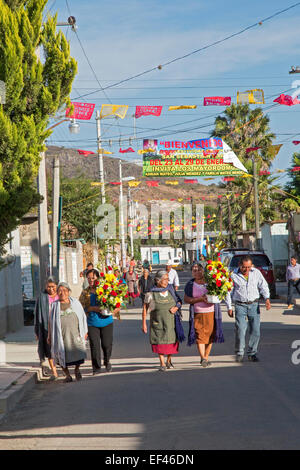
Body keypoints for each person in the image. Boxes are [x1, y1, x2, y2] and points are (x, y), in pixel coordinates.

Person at [225, 255, 271, 363]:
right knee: (241, 329)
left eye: (249, 267)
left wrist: (267, 299)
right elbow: (228, 292)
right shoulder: (233, 275)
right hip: (240, 305)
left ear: (252, 266)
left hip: (254, 305)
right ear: (239, 265)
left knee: (255, 331)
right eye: (244, 267)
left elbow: (263, 285)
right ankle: (239, 353)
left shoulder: (256, 273)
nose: (246, 270)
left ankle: (252, 353)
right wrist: (229, 307)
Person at [79, 269, 120, 374]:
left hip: (106, 321)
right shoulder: (85, 293)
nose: (91, 280)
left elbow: (116, 302)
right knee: (94, 345)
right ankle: (96, 368)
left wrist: (115, 309)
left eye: (93, 278)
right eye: (88, 278)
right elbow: (81, 308)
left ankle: (107, 361)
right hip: (92, 322)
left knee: (107, 345)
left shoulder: (106, 289)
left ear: (98, 278)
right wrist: (92, 309)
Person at [142, 270, 183, 371]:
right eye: (165, 279)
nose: (167, 281)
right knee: (159, 343)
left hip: (171, 322)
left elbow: (179, 301)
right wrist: (144, 324)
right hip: (158, 322)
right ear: (157, 280)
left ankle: (168, 360)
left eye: (167, 279)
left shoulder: (171, 290)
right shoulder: (151, 293)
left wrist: (176, 307)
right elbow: (145, 309)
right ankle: (162, 363)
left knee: (171, 343)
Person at [184, 263, 223, 367]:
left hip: (211, 312)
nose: (197, 272)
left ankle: (206, 357)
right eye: (194, 271)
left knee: (210, 336)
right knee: (200, 336)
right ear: (192, 273)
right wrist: (200, 299)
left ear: (203, 270)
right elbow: (186, 299)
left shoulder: (211, 282)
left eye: (199, 270)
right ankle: (202, 358)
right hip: (197, 313)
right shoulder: (190, 284)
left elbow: (219, 294)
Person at [48, 282, 88, 383]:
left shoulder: (75, 303)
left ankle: (77, 369)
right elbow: (50, 321)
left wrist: (84, 331)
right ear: (57, 293)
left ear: (69, 292)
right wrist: (49, 335)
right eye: (60, 291)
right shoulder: (54, 306)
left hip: (75, 334)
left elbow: (82, 317)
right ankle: (67, 375)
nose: (62, 293)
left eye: (65, 290)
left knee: (78, 352)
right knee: (61, 355)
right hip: (61, 336)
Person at [34, 277, 59, 379]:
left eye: (53, 286)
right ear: (45, 286)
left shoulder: (61, 295)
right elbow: (37, 314)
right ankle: (54, 372)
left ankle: (62, 368)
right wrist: (37, 331)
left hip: (59, 326)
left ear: (56, 286)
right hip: (45, 327)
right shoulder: (42, 297)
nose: (51, 289)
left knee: (60, 348)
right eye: (48, 287)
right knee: (49, 349)